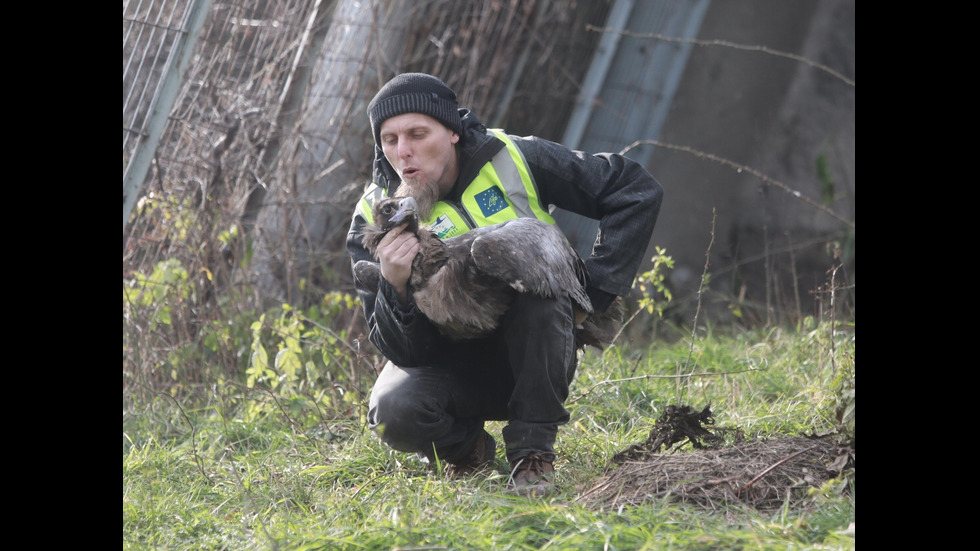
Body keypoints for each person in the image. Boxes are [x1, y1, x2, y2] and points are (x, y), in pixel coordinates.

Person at [346, 73, 663, 497]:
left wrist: (596, 297)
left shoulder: (513, 157)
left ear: (452, 132)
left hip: (536, 349)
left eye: (418, 134)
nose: (403, 152)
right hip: (448, 363)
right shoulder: (375, 218)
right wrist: (396, 285)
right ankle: (466, 450)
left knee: (540, 299)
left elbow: (634, 189)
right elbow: (406, 354)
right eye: (389, 140)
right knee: (391, 410)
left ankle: (532, 456)